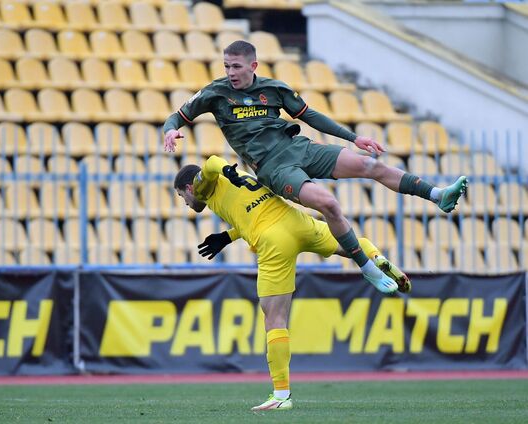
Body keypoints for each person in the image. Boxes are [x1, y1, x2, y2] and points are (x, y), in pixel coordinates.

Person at [163, 40, 467, 291]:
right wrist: (170, 129)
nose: (230, 72)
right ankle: (366, 267)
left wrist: (354, 137)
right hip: (274, 168)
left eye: (236, 66)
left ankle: (437, 195)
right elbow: (177, 115)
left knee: (370, 166)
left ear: (253, 66)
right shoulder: (216, 93)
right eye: (227, 66)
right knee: (328, 204)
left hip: (298, 148)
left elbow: (310, 116)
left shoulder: (274, 89)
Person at [173, 155, 411, 411]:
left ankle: (281, 395)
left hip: (274, 239)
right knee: (348, 244)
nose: (187, 203)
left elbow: (210, 163)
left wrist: (224, 169)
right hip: (296, 222)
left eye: (182, 196)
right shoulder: (228, 187)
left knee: (274, 319)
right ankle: (376, 258)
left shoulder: (202, 185)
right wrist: (228, 236)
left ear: (189, 188)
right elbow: (249, 213)